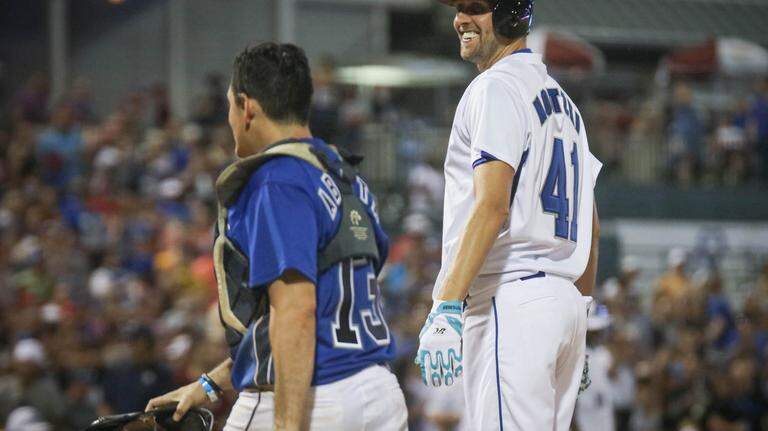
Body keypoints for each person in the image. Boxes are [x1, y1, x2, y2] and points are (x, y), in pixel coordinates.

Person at [146, 43, 407, 431]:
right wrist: (209, 385)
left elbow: (296, 310)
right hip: (379, 394)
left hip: (312, 398)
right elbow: (314, 315)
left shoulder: (277, 180)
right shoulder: (348, 178)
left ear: (247, 107)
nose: (230, 119)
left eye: (230, 107)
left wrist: (288, 424)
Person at [416, 1, 602, 430]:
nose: (460, 19)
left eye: (474, 8)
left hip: (512, 299)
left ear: (510, 13)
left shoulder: (495, 87)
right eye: (459, 8)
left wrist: (446, 304)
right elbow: (591, 228)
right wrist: (579, 314)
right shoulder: (566, 105)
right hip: (563, 303)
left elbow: (492, 205)